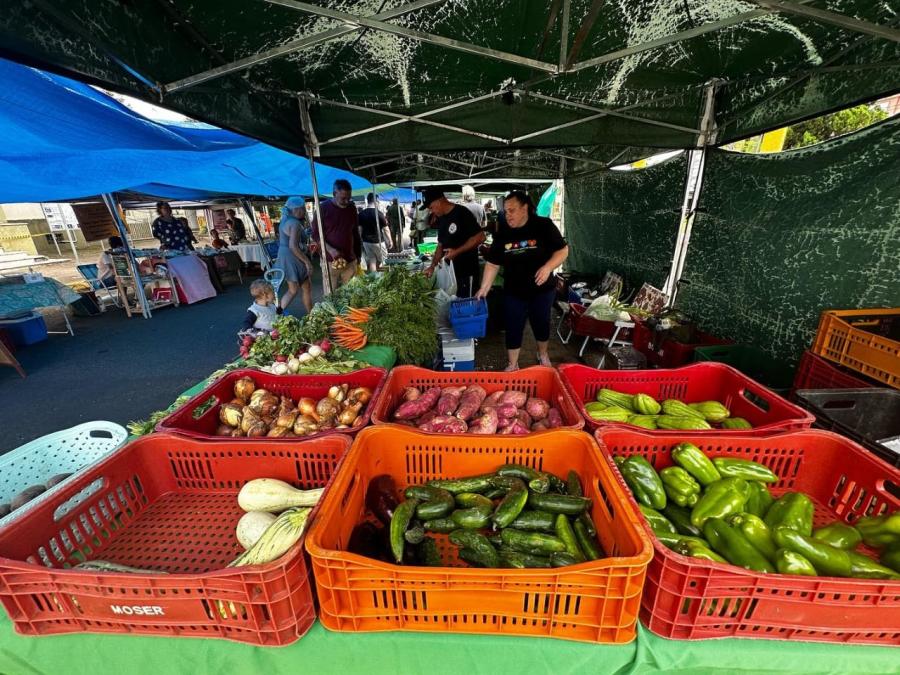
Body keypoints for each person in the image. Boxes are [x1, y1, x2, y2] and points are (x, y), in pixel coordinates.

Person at [475, 191, 568, 371]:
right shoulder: (503, 232)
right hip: (514, 290)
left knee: (541, 322)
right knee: (512, 324)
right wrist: (484, 287)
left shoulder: (543, 225)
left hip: (542, 289)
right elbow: (493, 262)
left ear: (525, 208)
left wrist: (548, 267)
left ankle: (542, 354)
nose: (507, 215)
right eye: (506, 211)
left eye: (512, 210)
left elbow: (563, 250)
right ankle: (513, 364)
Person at [422, 187, 485, 297]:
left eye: (431, 207)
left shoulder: (462, 213)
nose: (432, 211)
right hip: (451, 274)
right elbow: (440, 245)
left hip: (466, 273)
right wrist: (432, 266)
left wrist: (457, 252)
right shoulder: (441, 218)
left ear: (439, 201)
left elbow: (481, 237)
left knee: (465, 305)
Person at [311, 178, 361, 288]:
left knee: (350, 294)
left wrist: (358, 254)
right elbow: (315, 235)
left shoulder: (352, 208)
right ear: (334, 193)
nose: (347, 201)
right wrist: (331, 249)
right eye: (343, 198)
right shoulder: (322, 208)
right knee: (331, 294)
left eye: (349, 198)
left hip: (350, 260)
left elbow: (355, 233)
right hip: (330, 261)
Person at [275, 196, 314, 315]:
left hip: (285, 256)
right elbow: (293, 246)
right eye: (303, 209)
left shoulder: (284, 220)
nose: (304, 211)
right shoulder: (295, 223)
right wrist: (307, 262)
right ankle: (311, 314)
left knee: (294, 290)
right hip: (293, 257)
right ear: (296, 209)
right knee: (304, 288)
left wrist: (304, 234)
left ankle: (277, 313)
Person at [359, 193, 392, 272]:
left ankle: (374, 279)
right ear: (376, 200)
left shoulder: (361, 214)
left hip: (366, 241)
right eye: (378, 200)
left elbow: (359, 229)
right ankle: (384, 280)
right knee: (384, 261)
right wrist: (390, 240)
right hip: (378, 241)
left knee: (372, 260)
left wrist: (360, 240)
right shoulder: (379, 213)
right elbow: (386, 229)